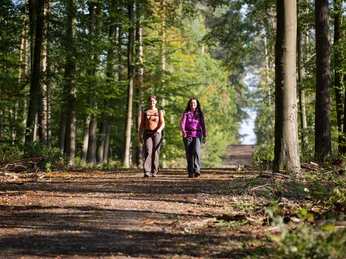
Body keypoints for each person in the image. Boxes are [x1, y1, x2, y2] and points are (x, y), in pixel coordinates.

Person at [138, 95, 165, 178]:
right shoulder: (145, 112)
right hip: (147, 134)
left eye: (153, 101)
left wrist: (159, 129)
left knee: (155, 152)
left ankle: (155, 171)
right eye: (150, 101)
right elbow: (142, 124)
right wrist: (139, 136)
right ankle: (147, 171)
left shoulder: (159, 112)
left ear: (156, 102)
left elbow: (163, 123)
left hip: (157, 134)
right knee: (148, 151)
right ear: (148, 102)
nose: (152, 103)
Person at [180, 97, 206, 178]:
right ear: (189, 104)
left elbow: (203, 125)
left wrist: (204, 135)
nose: (192, 105)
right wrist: (183, 131)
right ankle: (190, 172)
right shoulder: (186, 112)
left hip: (197, 134)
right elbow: (183, 123)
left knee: (196, 151)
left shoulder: (200, 113)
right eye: (191, 103)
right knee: (189, 154)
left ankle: (197, 169)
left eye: (194, 103)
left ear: (197, 104)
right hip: (188, 135)